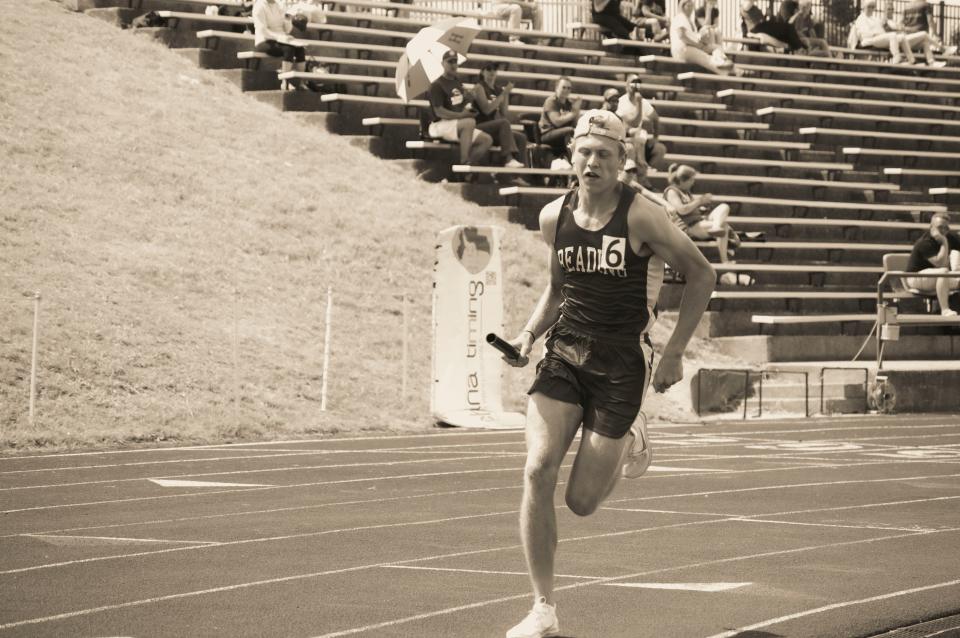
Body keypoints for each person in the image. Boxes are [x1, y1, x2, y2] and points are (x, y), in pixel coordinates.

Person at [501, 109, 716, 638]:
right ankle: (543, 608)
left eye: (604, 153)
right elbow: (557, 288)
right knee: (536, 470)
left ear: (623, 161)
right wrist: (528, 337)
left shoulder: (642, 215)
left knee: (581, 502)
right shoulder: (555, 216)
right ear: (570, 157)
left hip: (622, 360)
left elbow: (701, 274)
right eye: (584, 152)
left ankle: (633, 430)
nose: (592, 161)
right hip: (565, 352)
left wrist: (673, 353)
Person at [427, 50, 522, 174]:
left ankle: (465, 170)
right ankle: (464, 161)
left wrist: (468, 98)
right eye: (450, 62)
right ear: (442, 64)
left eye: (455, 61)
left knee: (487, 140)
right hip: (439, 124)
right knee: (469, 122)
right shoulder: (436, 85)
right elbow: (439, 112)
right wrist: (462, 115)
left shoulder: (457, 82)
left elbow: (460, 105)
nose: (453, 65)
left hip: (455, 122)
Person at [663, 163, 742, 272]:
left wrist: (701, 208)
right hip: (687, 227)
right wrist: (700, 201)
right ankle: (724, 258)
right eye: (691, 180)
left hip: (698, 222)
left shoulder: (686, 192)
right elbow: (681, 209)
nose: (693, 182)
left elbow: (691, 209)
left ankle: (716, 227)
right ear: (682, 180)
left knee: (724, 207)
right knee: (724, 227)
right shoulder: (672, 191)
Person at [473, 63, 528, 170]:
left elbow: (504, 113)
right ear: (482, 72)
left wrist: (505, 94)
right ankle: (508, 159)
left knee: (521, 138)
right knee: (503, 123)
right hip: (479, 127)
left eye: (494, 69)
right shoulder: (479, 87)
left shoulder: (498, 90)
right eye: (488, 69)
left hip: (493, 128)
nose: (492, 72)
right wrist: (504, 94)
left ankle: (520, 174)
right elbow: (487, 110)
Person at [615, 74, 667, 185]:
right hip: (624, 138)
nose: (635, 86)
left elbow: (656, 118)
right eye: (633, 82)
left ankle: (644, 172)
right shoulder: (621, 102)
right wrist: (639, 104)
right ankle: (639, 174)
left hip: (639, 140)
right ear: (627, 85)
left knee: (660, 149)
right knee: (637, 136)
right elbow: (633, 123)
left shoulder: (642, 102)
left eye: (638, 83)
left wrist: (655, 138)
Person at [905, 213, 960, 316]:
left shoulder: (949, 236)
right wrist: (944, 242)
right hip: (915, 277)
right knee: (943, 272)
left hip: (937, 277)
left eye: (946, 228)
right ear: (931, 227)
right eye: (940, 227)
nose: (943, 231)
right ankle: (945, 310)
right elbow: (941, 264)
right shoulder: (925, 242)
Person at [252, 0, 307, 90]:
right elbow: (262, 31)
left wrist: (288, 20)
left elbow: (287, 30)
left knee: (300, 49)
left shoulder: (279, 6)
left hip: (281, 39)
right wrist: (280, 37)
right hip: (264, 40)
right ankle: (285, 82)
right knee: (289, 49)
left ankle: (301, 82)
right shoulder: (259, 6)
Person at [673, 0, 735, 75]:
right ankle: (726, 71)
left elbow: (694, 36)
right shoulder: (680, 17)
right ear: (682, 6)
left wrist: (699, 42)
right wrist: (697, 44)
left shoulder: (688, 20)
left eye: (691, 6)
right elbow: (682, 36)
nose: (690, 8)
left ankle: (723, 61)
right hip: (684, 49)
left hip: (692, 45)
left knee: (716, 47)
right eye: (687, 6)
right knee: (706, 58)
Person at [851, 0, 916, 64]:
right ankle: (896, 57)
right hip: (868, 40)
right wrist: (879, 34)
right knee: (892, 35)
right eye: (869, 7)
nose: (871, 9)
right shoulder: (861, 19)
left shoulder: (875, 19)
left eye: (872, 7)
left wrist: (882, 35)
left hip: (878, 39)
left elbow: (882, 31)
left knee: (902, 37)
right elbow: (865, 34)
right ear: (864, 7)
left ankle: (911, 59)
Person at [538, 76, 582, 170]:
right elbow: (557, 122)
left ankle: (579, 162)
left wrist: (576, 110)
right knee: (569, 131)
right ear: (556, 88)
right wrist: (573, 113)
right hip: (548, 134)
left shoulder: (569, 103)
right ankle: (574, 163)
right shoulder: (551, 101)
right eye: (564, 87)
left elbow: (575, 124)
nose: (566, 90)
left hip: (564, 135)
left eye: (569, 88)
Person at [740, 0, 806, 53]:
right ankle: (799, 48)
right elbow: (747, 6)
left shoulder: (752, 7)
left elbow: (760, 19)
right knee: (788, 27)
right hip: (756, 28)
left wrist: (767, 15)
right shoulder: (745, 5)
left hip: (762, 26)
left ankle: (797, 47)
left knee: (786, 29)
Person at [898, 0, 949, 66]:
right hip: (918, 37)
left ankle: (932, 62)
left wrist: (906, 30)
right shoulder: (926, 5)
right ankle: (943, 49)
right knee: (924, 35)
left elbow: (900, 24)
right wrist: (936, 35)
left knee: (925, 42)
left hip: (909, 41)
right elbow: (930, 21)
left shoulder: (906, 7)